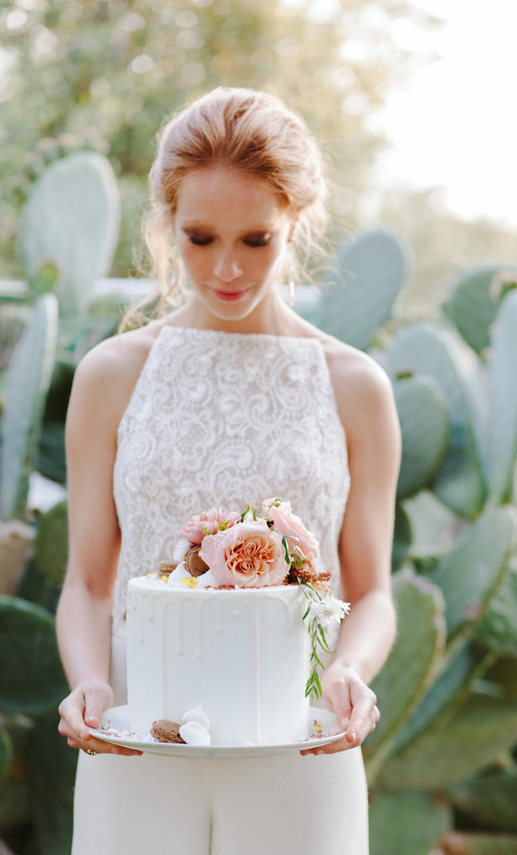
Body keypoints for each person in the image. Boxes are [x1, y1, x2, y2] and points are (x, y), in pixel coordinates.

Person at [56, 87, 401, 855]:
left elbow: (373, 588)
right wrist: (89, 683)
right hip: (135, 731)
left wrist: (351, 670)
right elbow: (86, 581)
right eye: (201, 237)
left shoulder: (356, 387)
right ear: (166, 224)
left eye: (256, 239)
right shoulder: (111, 374)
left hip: (302, 735)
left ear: (297, 222)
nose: (226, 269)